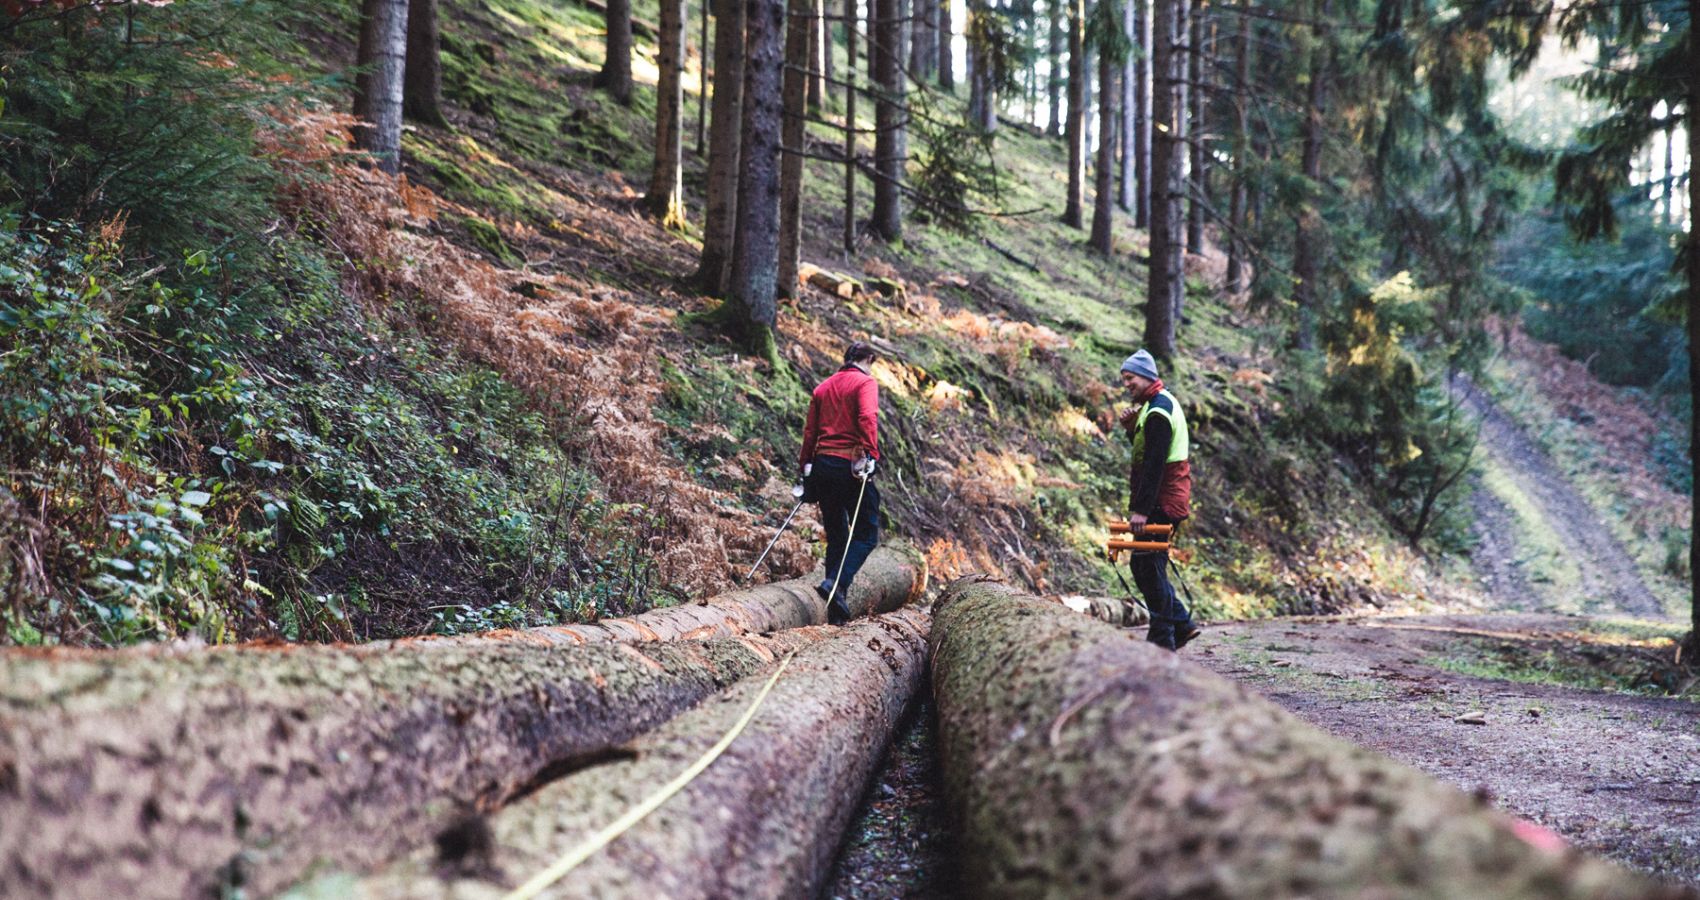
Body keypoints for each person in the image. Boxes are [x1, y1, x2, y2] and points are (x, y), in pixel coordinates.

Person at [1118, 349, 1200, 650]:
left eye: (1131, 378)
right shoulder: (1155, 405)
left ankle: (1164, 638)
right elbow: (1147, 451)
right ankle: (1179, 625)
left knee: (1147, 566)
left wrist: (1141, 510)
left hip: (1162, 501)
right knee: (1147, 566)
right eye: (1125, 379)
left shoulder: (1157, 412)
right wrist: (1130, 430)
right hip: (1164, 499)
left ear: (1147, 377)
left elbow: (1154, 465)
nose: (1127, 384)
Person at [799, 341, 882, 625]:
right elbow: (867, 416)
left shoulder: (823, 388)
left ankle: (835, 605)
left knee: (837, 533)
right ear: (868, 358)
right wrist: (871, 452)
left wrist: (805, 466)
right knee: (867, 533)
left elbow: (810, 432)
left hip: (822, 465)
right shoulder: (864, 383)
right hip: (851, 465)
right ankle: (837, 583)